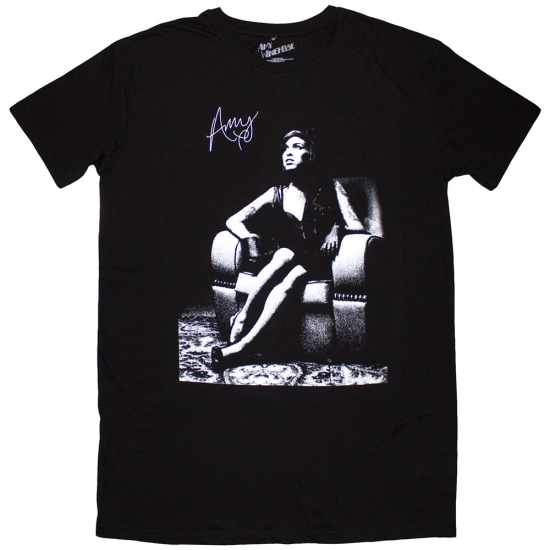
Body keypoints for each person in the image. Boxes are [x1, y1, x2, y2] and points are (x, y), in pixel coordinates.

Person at [211, 129, 359, 371]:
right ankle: (243, 318)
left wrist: (335, 228)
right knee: (285, 256)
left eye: (298, 146)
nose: (289, 153)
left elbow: (356, 225)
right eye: (286, 148)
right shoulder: (276, 192)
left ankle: (243, 344)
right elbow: (233, 220)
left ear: (311, 154)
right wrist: (248, 237)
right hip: (285, 258)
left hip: (317, 261)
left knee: (295, 271)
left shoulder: (330, 186)